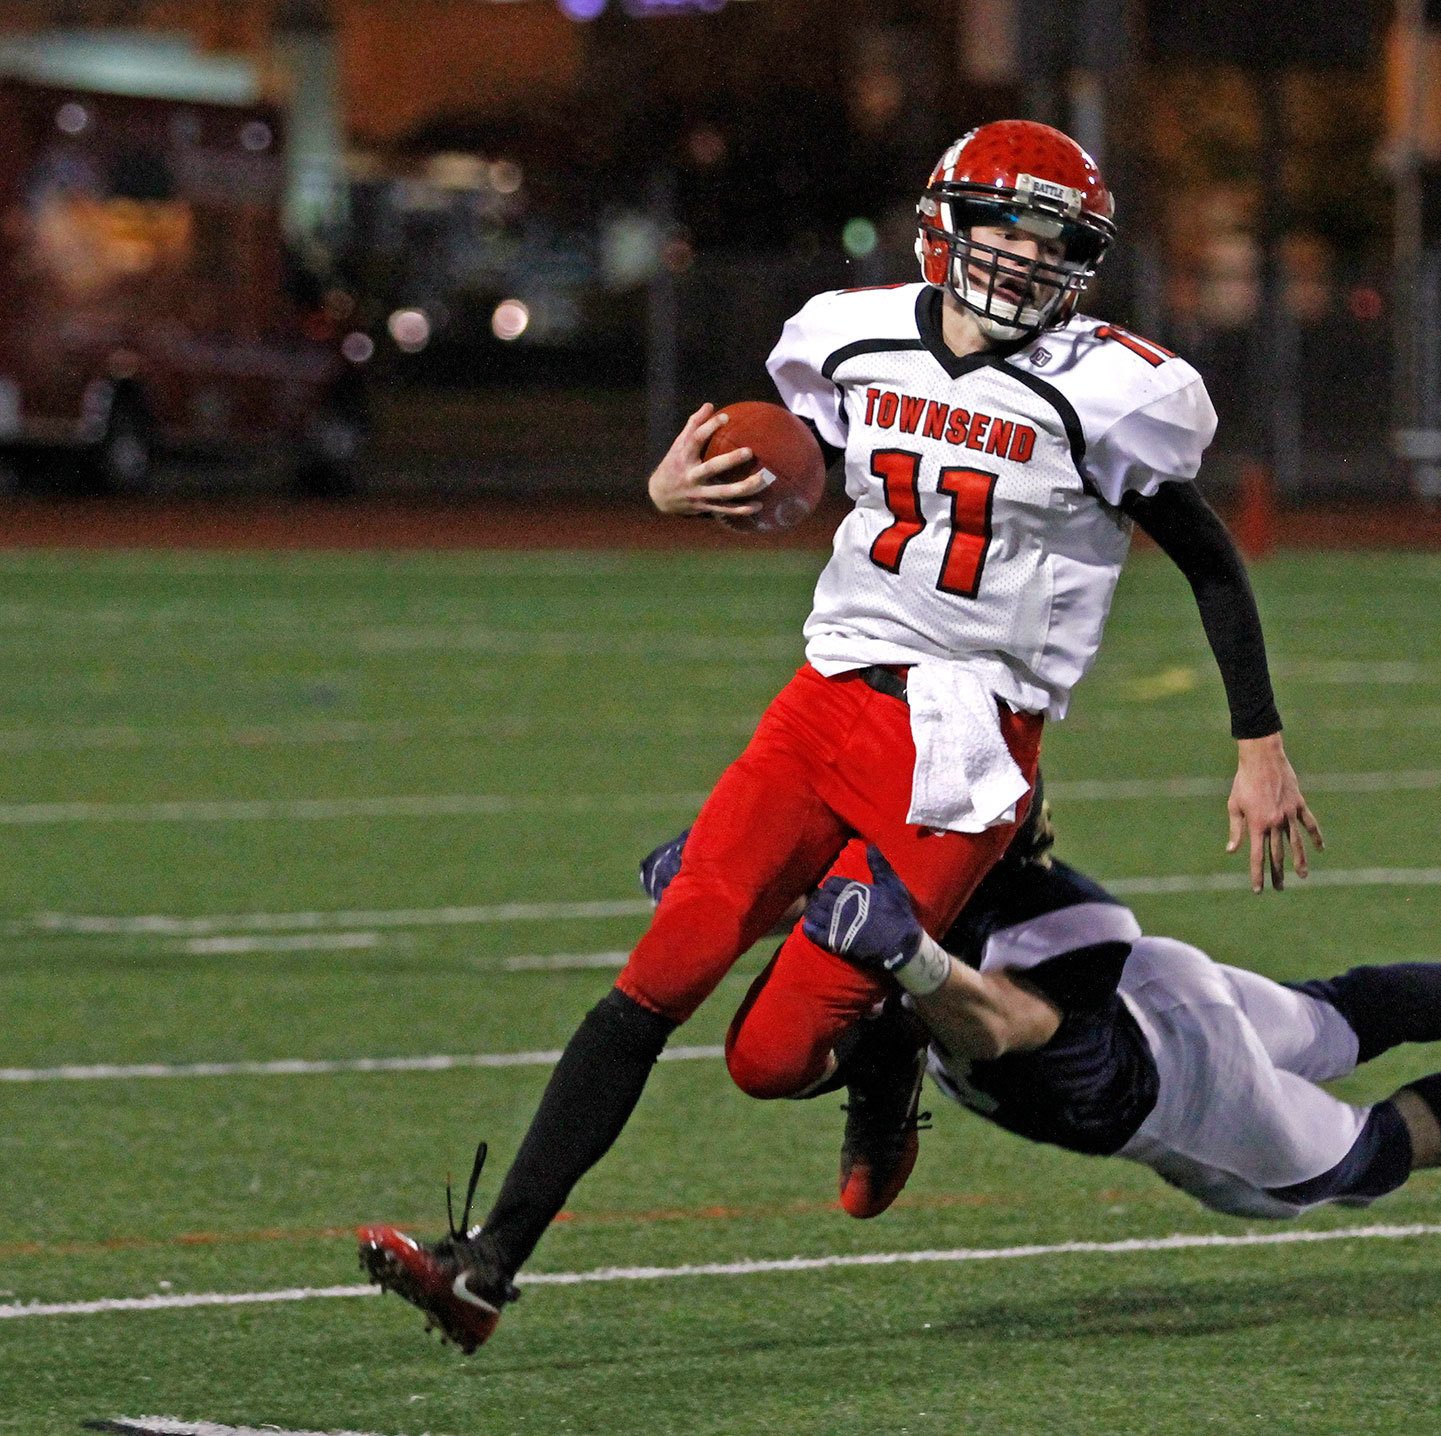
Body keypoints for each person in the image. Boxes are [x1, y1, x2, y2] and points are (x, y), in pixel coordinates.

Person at [356, 119, 1318, 1353]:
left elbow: (1211, 559)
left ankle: (884, 1045)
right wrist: (676, 490)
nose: (1023, 260)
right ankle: (484, 1264)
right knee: (662, 969)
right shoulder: (846, 335)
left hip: (966, 750)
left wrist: (1259, 741)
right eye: (1002, 228)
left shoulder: (1111, 390)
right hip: (825, 701)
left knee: (763, 1060)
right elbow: (809, 465)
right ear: (943, 224)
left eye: (1053, 241)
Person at [796, 801, 1441, 1222]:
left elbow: (990, 1022)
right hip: (1163, 984)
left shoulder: (954, 996)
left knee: (1365, 1156)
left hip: (1181, 1091)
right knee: (1337, 1017)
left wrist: (903, 957)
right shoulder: (953, 888)